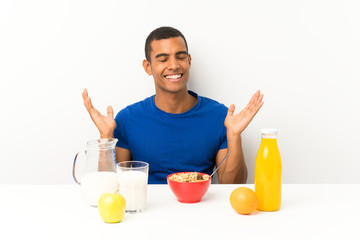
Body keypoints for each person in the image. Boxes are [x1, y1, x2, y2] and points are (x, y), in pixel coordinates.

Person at [82, 26, 264, 184]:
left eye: (180, 57)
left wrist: (233, 136)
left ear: (189, 61)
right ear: (148, 67)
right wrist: (105, 137)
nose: (174, 65)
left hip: (201, 212)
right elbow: (112, 186)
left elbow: (232, 184)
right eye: (163, 59)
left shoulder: (221, 117)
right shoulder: (127, 119)